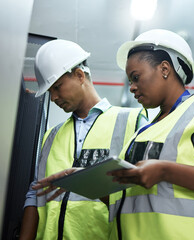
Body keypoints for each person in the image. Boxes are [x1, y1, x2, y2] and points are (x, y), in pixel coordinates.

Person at [34, 29, 194, 240]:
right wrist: (83, 180)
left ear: (165, 69)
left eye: (136, 77)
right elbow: (131, 200)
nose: (132, 87)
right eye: (130, 80)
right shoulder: (141, 134)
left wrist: (165, 171)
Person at [20, 39, 146, 240]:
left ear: (80, 75)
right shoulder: (51, 136)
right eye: (50, 91)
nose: (53, 98)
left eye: (57, 87)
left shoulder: (132, 121)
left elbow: (143, 193)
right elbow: (35, 194)